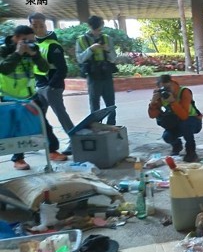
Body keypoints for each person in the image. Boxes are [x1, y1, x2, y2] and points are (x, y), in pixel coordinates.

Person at [0, 25, 68, 170]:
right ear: (16, 38)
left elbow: (44, 68)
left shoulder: (33, 49)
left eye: (32, 40)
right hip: (9, 97)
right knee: (17, 128)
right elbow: (4, 69)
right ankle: (18, 159)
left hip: (30, 95)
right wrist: (18, 53)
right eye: (26, 40)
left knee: (43, 124)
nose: (30, 43)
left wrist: (34, 55)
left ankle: (52, 150)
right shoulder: (3, 50)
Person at [29, 12, 75, 155]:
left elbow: (62, 69)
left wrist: (51, 86)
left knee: (60, 114)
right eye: (34, 25)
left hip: (52, 87)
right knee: (38, 115)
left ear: (45, 25)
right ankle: (37, 142)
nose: (38, 28)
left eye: (41, 25)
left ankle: (74, 140)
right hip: (40, 86)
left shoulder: (53, 45)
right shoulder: (33, 44)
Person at [147, 74, 203, 162]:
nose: (167, 91)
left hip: (192, 122)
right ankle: (177, 146)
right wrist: (153, 103)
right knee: (167, 136)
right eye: (164, 89)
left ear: (172, 83)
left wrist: (173, 102)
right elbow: (152, 115)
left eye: (168, 87)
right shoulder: (160, 95)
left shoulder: (184, 92)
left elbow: (184, 116)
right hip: (175, 123)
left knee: (185, 125)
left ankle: (191, 151)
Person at [75, 15, 117, 125]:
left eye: (99, 29)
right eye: (95, 29)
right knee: (94, 103)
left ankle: (111, 124)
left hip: (106, 73)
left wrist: (107, 49)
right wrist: (91, 49)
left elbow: (113, 58)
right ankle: (96, 125)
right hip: (93, 75)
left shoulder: (107, 38)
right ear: (89, 26)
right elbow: (80, 59)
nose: (97, 32)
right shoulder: (81, 40)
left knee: (111, 102)